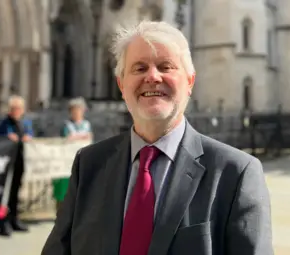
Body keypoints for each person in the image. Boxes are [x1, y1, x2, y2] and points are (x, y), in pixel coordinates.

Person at [41, 20, 273, 255]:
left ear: (190, 81)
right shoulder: (89, 164)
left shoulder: (236, 173)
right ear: (122, 84)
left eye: (166, 66)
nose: (152, 77)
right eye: (139, 68)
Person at [0, 95, 33, 236]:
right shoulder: (5, 123)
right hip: (7, 162)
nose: (17, 111)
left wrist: (28, 137)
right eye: (14, 108)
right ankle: (2, 221)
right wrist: (7, 138)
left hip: (20, 160)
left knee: (16, 191)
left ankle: (14, 218)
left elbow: (30, 134)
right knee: (5, 193)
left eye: (19, 108)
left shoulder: (25, 123)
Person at [52, 98, 92, 211]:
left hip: (83, 159)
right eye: (74, 110)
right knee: (65, 188)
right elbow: (66, 139)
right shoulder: (67, 125)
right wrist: (79, 137)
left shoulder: (86, 124)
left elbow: (89, 138)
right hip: (67, 161)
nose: (76, 113)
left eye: (79, 110)